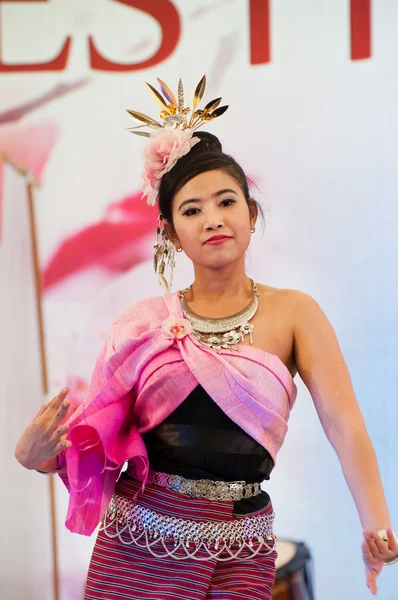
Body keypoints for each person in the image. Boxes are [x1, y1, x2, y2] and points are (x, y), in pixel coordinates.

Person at [15, 76, 398, 599]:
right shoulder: (142, 324)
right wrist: (37, 456)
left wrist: (375, 522)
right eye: (192, 210)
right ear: (171, 232)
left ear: (251, 212)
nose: (212, 220)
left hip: (243, 545)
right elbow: (98, 434)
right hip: (138, 543)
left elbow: (344, 424)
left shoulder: (296, 313)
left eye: (225, 202)